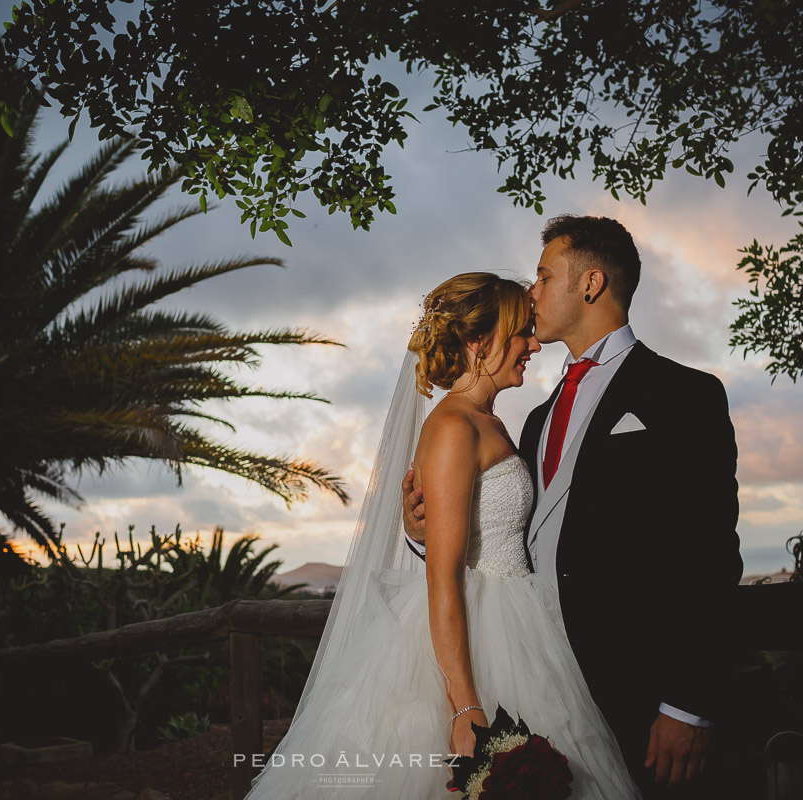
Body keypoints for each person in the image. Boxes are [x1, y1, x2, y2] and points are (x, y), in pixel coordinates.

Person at [244, 272, 642, 798]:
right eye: (520, 333)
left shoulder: (492, 422)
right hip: (480, 632)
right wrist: (466, 705)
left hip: (521, 621)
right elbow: (445, 576)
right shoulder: (454, 428)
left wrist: (418, 531)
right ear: (479, 343)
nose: (532, 346)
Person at [403, 215, 743, 798]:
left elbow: (709, 557)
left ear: (589, 284)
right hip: (533, 674)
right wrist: (422, 529)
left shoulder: (684, 395)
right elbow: (502, 529)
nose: (531, 293)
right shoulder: (532, 421)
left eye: (542, 275)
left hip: (642, 693)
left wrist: (687, 705)